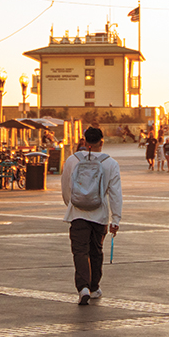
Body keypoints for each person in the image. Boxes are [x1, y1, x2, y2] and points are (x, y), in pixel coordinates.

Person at [62, 126, 123, 306]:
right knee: (96, 251)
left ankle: (83, 288)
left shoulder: (72, 160)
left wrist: (71, 204)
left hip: (77, 214)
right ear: (101, 142)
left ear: (84, 141)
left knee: (80, 251)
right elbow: (115, 193)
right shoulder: (110, 163)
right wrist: (116, 219)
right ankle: (95, 287)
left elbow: (65, 186)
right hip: (100, 214)